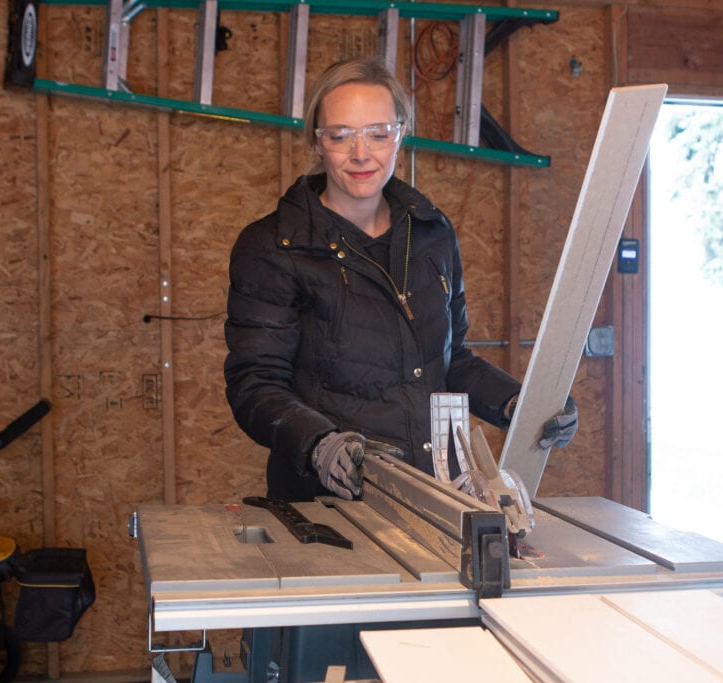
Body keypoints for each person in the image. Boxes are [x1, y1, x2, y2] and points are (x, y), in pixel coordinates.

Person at [224, 57, 577, 502]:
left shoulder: (431, 233)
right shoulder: (274, 247)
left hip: (435, 494)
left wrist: (522, 406)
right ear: (317, 142)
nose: (360, 153)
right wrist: (319, 443)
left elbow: (449, 361)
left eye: (378, 133)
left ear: (400, 133)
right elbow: (254, 382)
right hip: (331, 501)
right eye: (340, 136)